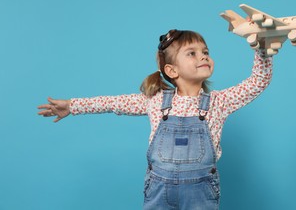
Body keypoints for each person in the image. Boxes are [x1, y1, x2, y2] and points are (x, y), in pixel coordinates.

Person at [37, 29, 273, 210]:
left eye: (205, 52)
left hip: (201, 192)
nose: (203, 57)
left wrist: (261, 48)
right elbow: (112, 103)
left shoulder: (220, 102)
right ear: (172, 71)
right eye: (192, 53)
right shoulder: (156, 100)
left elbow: (257, 82)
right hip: (159, 189)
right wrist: (71, 106)